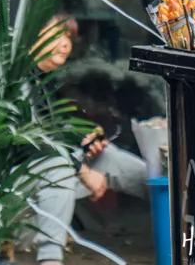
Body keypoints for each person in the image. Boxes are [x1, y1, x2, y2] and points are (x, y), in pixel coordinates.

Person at [31, 17, 150, 265]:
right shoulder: (17, 81)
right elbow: (31, 144)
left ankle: (181, 237)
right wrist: (83, 171)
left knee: (129, 166)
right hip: (25, 174)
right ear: (34, 35)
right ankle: (49, 260)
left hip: (60, 160)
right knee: (59, 173)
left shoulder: (46, 82)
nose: (66, 45)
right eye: (59, 34)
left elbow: (55, 131)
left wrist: (83, 136)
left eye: (70, 38)